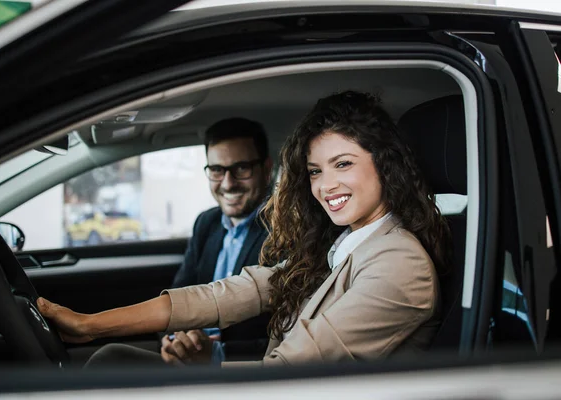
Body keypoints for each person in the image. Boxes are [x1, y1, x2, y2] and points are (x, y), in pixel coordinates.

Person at [38, 91, 451, 366]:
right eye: (314, 171)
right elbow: (231, 293)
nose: (325, 186)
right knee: (112, 359)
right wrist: (89, 324)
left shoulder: (398, 264)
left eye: (343, 164)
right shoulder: (342, 243)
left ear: (384, 164)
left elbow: (292, 375)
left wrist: (210, 370)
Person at [165, 118, 273, 363]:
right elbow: (179, 295)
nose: (227, 183)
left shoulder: (288, 229)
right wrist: (174, 339)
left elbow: (293, 337)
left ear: (266, 169)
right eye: (216, 170)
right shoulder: (206, 223)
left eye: (241, 168)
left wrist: (216, 355)